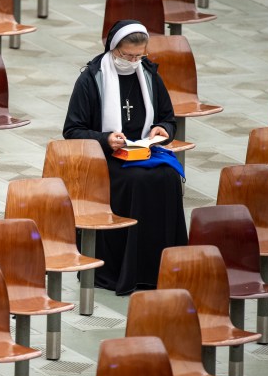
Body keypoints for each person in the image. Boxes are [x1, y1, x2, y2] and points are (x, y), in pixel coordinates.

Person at [63, 19, 188, 295]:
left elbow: (168, 117)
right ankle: (123, 269)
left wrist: (162, 129)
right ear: (113, 48)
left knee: (167, 176)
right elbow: (72, 130)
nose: (133, 61)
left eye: (139, 56)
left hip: (142, 150)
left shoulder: (148, 74)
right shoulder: (92, 78)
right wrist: (105, 139)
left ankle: (161, 269)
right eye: (127, 55)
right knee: (136, 182)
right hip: (104, 157)